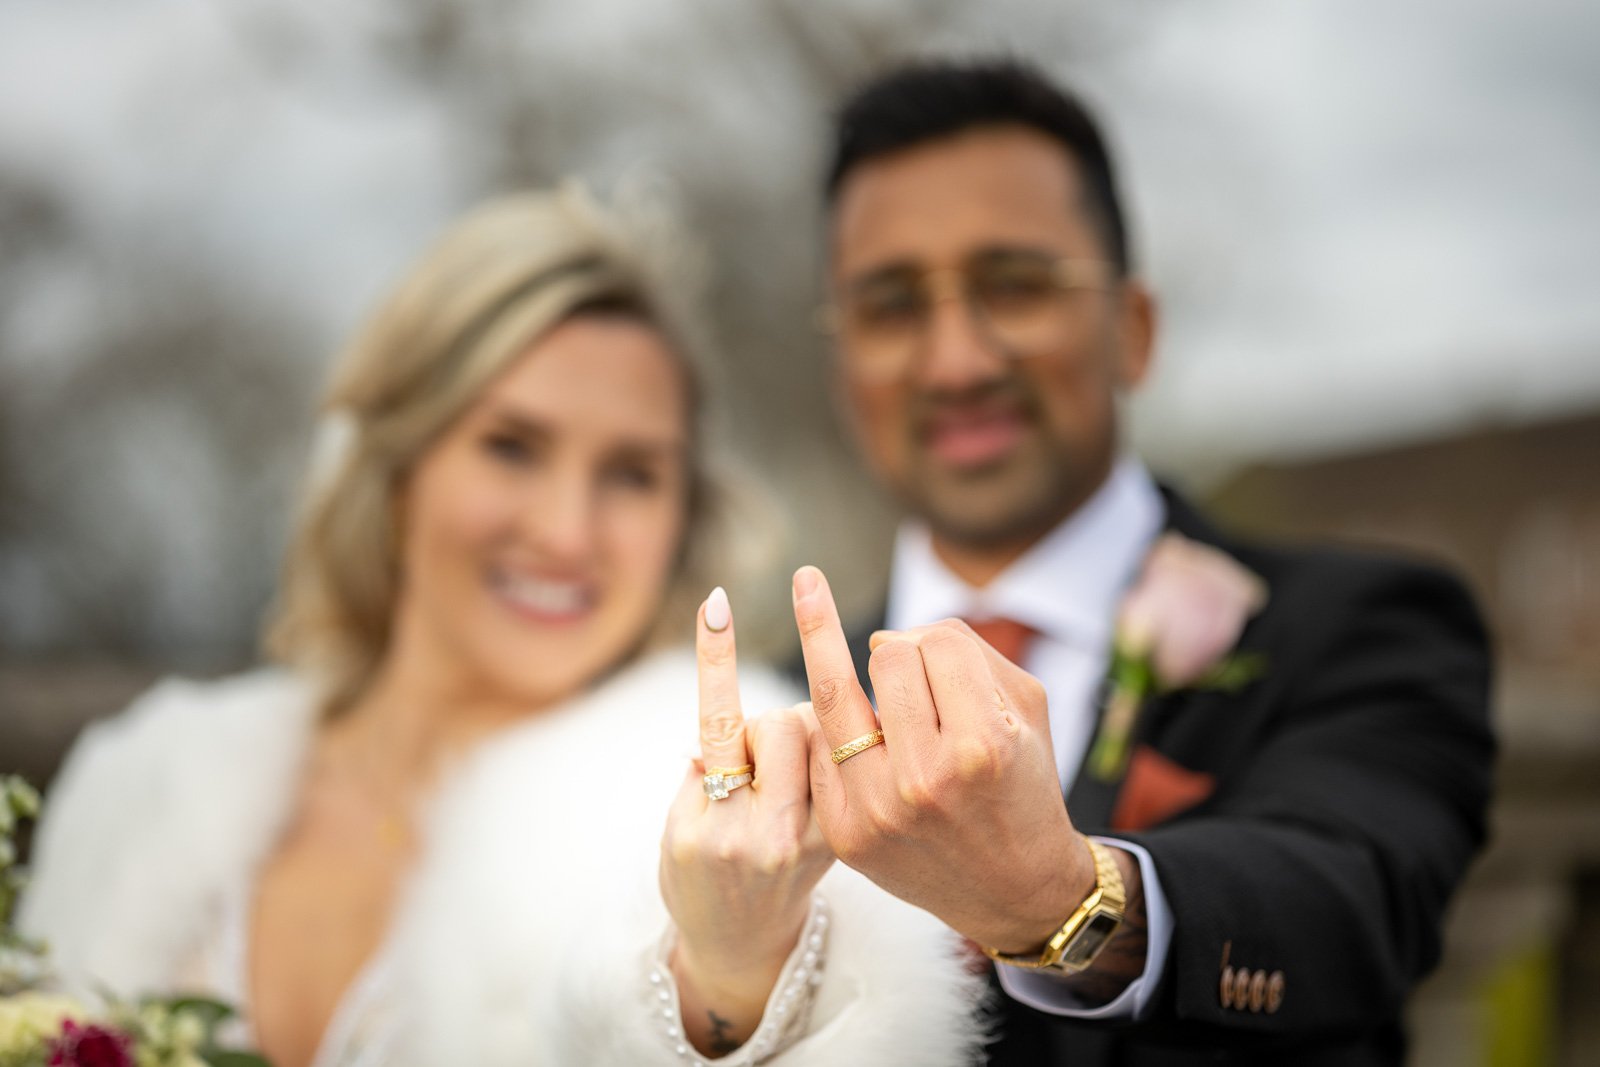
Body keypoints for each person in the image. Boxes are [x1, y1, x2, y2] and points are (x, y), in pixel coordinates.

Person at [19, 187, 987, 1067]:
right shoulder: (149, 779)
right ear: (397, 463)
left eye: (631, 472)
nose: (566, 530)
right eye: (510, 446)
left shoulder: (758, 808)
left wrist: (728, 985)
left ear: (681, 521)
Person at [784, 58, 1496, 1064]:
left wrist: (1065, 896)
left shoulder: (1362, 624)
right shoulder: (766, 709)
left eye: (1015, 285)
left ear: (1133, 327)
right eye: (892, 304)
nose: (955, 360)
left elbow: (1353, 893)